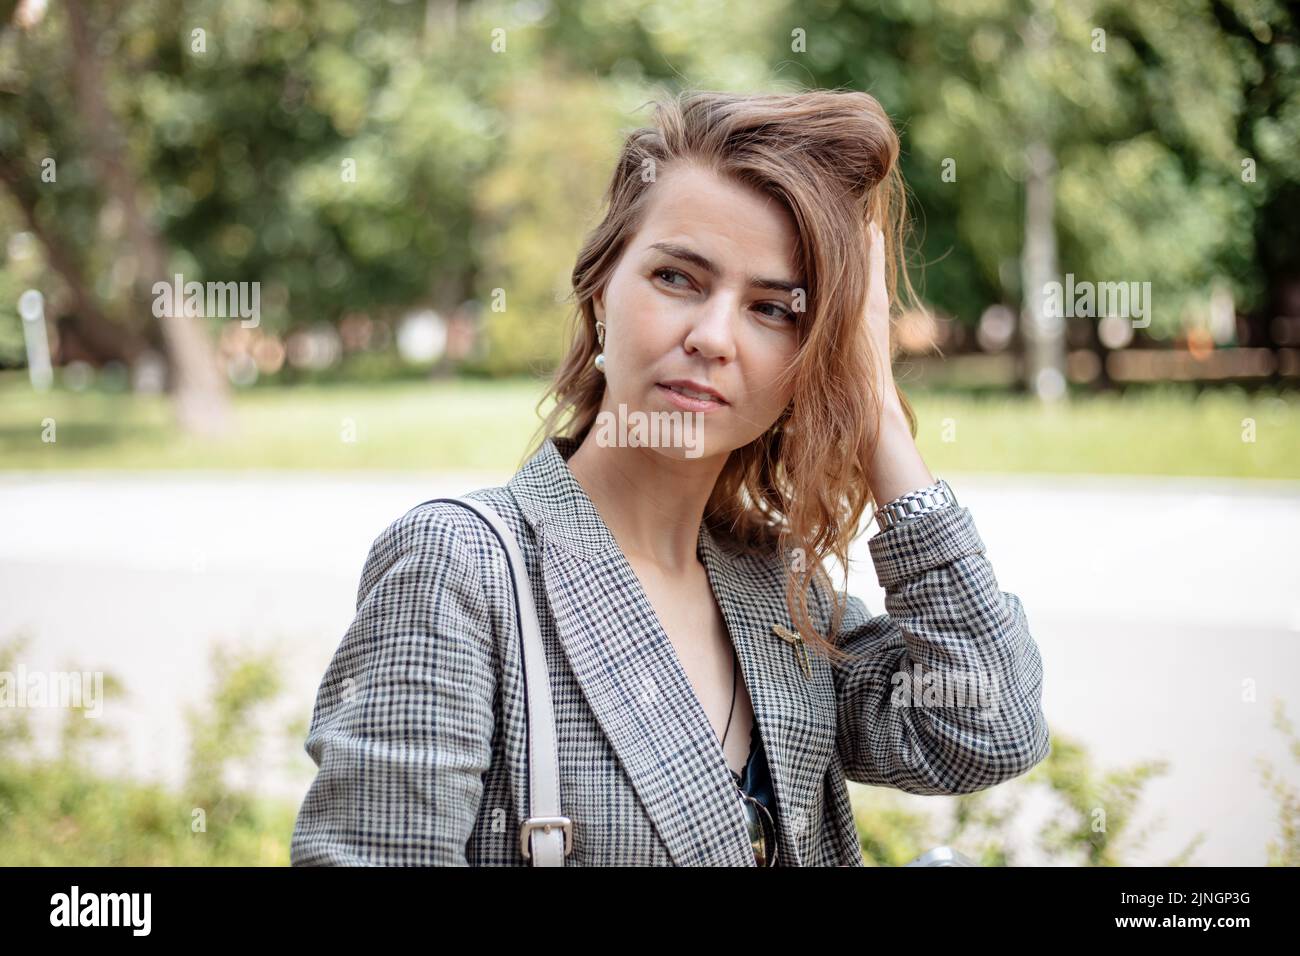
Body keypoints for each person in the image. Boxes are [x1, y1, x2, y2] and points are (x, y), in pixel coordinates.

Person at [290, 88, 1050, 867]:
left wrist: (878, 412)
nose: (713, 337)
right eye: (678, 279)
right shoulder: (460, 568)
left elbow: (987, 726)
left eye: (774, 310)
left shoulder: (779, 592)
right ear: (600, 290)